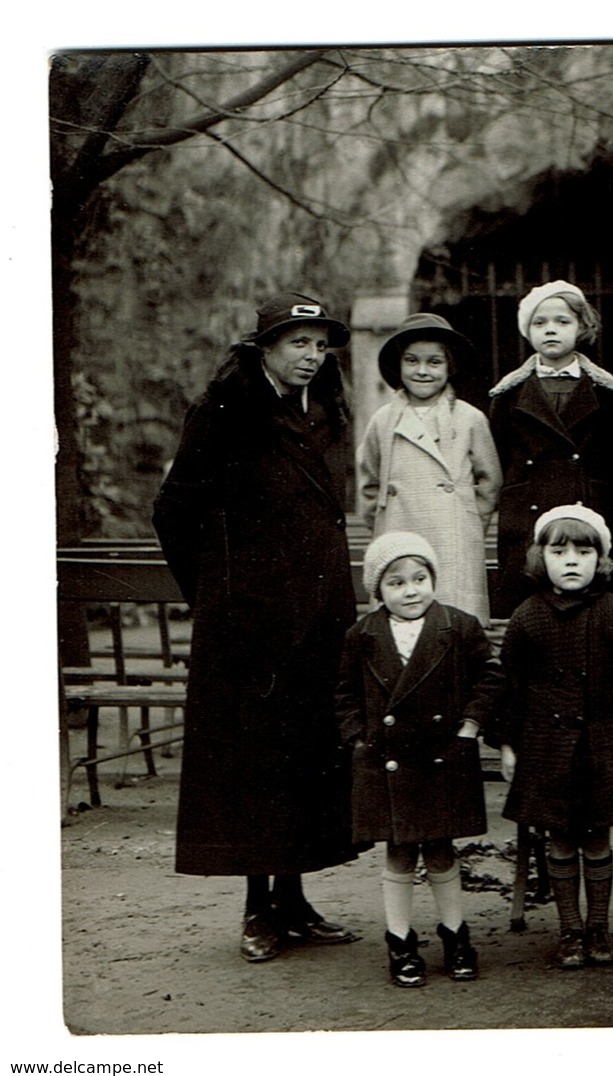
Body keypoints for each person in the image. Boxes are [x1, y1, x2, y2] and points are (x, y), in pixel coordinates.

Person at [153, 291, 361, 963]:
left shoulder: (327, 408)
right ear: (265, 347)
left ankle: (295, 902)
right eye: (297, 342)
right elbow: (174, 508)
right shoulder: (225, 409)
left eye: (319, 342)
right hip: (249, 623)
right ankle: (256, 909)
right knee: (254, 762)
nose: (312, 354)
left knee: (306, 754)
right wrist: (216, 594)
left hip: (320, 616)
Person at [482, 505, 613, 969]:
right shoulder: (528, 617)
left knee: (597, 838)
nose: (571, 560)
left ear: (600, 559)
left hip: (606, 744)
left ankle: (598, 926)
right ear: (541, 558)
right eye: (559, 551)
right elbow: (509, 686)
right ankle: (569, 930)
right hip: (546, 746)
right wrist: (507, 743)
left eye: (584, 551)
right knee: (560, 839)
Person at [336, 532, 501, 986]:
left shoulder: (458, 626)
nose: (411, 591)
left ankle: (455, 936)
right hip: (387, 758)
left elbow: (488, 679)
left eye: (420, 578)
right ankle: (401, 941)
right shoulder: (363, 634)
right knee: (400, 852)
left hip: (443, 755)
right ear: (378, 591)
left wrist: (470, 726)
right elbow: (345, 694)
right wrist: (358, 738)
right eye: (396, 583)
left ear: (433, 578)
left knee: (444, 851)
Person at [488, 280, 613, 618]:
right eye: (540, 322)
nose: (551, 330)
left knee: (590, 612)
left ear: (582, 327)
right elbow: (501, 457)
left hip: (586, 511)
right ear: (527, 331)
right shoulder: (508, 396)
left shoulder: (607, 394)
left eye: (562, 322)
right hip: (527, 517)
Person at [357, 313, 501, 624]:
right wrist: (385, 526)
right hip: (399, 533)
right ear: (399, 365)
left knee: (454, 624)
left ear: (450, 367)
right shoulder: (382, 421)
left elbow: (489, 483)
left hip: (453, 540)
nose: (422, 371)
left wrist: (464, 521)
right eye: (412, 361)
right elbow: (368, 484)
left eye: (434, 362)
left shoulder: (470, 419)